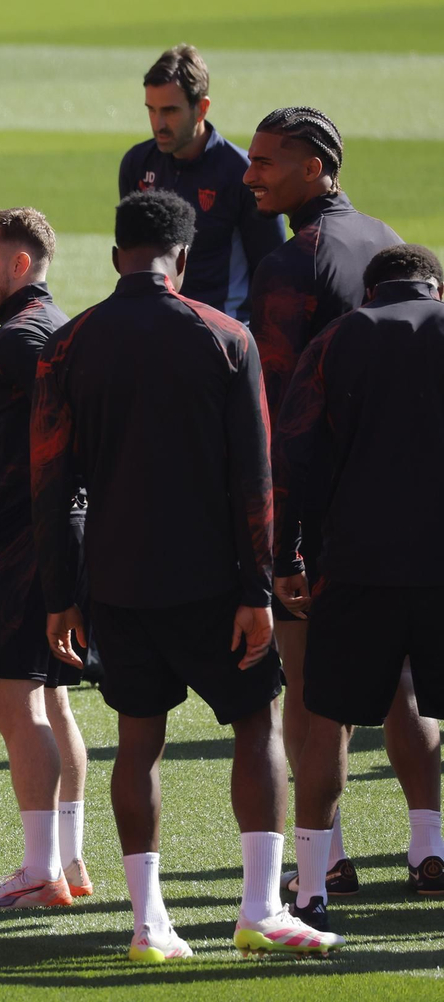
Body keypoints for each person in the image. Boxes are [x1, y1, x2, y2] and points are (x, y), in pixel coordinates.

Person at [32, 189, 341, 960]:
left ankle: (147, 923)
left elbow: (50, 486)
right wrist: (258, 587)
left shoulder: (68, 346)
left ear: (115, 257)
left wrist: (62, 596)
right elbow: (255, 478)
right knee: (254, 728)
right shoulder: (226, 338)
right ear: (186, 255)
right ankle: (261, 909)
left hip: (116, 581)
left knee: (138, 741)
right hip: (212, 581)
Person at [243, 105, 437, 897]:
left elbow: (279, 415)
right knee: (405, 687)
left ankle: (325, 859)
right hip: (418, 524)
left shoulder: (293, 264)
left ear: (315, 169)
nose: (250, 174)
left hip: (331, 527)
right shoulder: (386, 238)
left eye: (267, 163)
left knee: (315, 693)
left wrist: (275, 542)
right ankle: (428, 846)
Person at [274, 244, 444, 933]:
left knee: (328, 723)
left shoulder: (334, 340)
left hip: (355, 566)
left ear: (371, 289)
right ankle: (430, 854)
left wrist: (285, 555)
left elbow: (294, 455)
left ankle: (313, 887)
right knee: (419, 704)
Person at [0, 207, 91, 910]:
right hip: (53, 539)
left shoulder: (19, 339)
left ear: (18, 265)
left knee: (13, 700)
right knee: (54, 700)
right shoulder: (58, 327)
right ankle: (68, 860)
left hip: (23, 543)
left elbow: (59, 447)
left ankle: (40, 870)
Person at [118, 45, 284, 322]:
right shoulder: (137, 164)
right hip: (155, 328)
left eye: (170, 111)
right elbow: (131, 259)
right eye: (151, 110)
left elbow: (273, 272)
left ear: (202, 108)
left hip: (220, 335)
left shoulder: (243, 174)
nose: (158, 123)